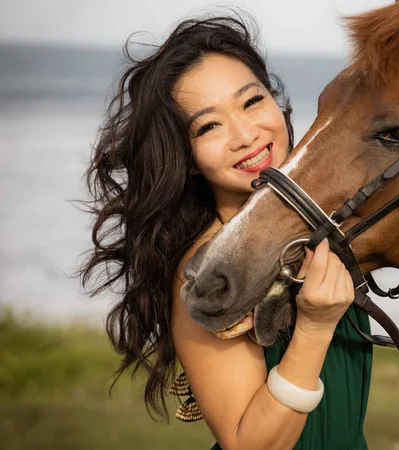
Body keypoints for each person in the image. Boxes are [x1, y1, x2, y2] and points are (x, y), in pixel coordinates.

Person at [80, 14, 372, 449]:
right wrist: (312, 328)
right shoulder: (207, 273)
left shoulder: (325, 225)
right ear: (188, 158)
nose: (245, 134)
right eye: (209, 126)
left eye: (252, 102)